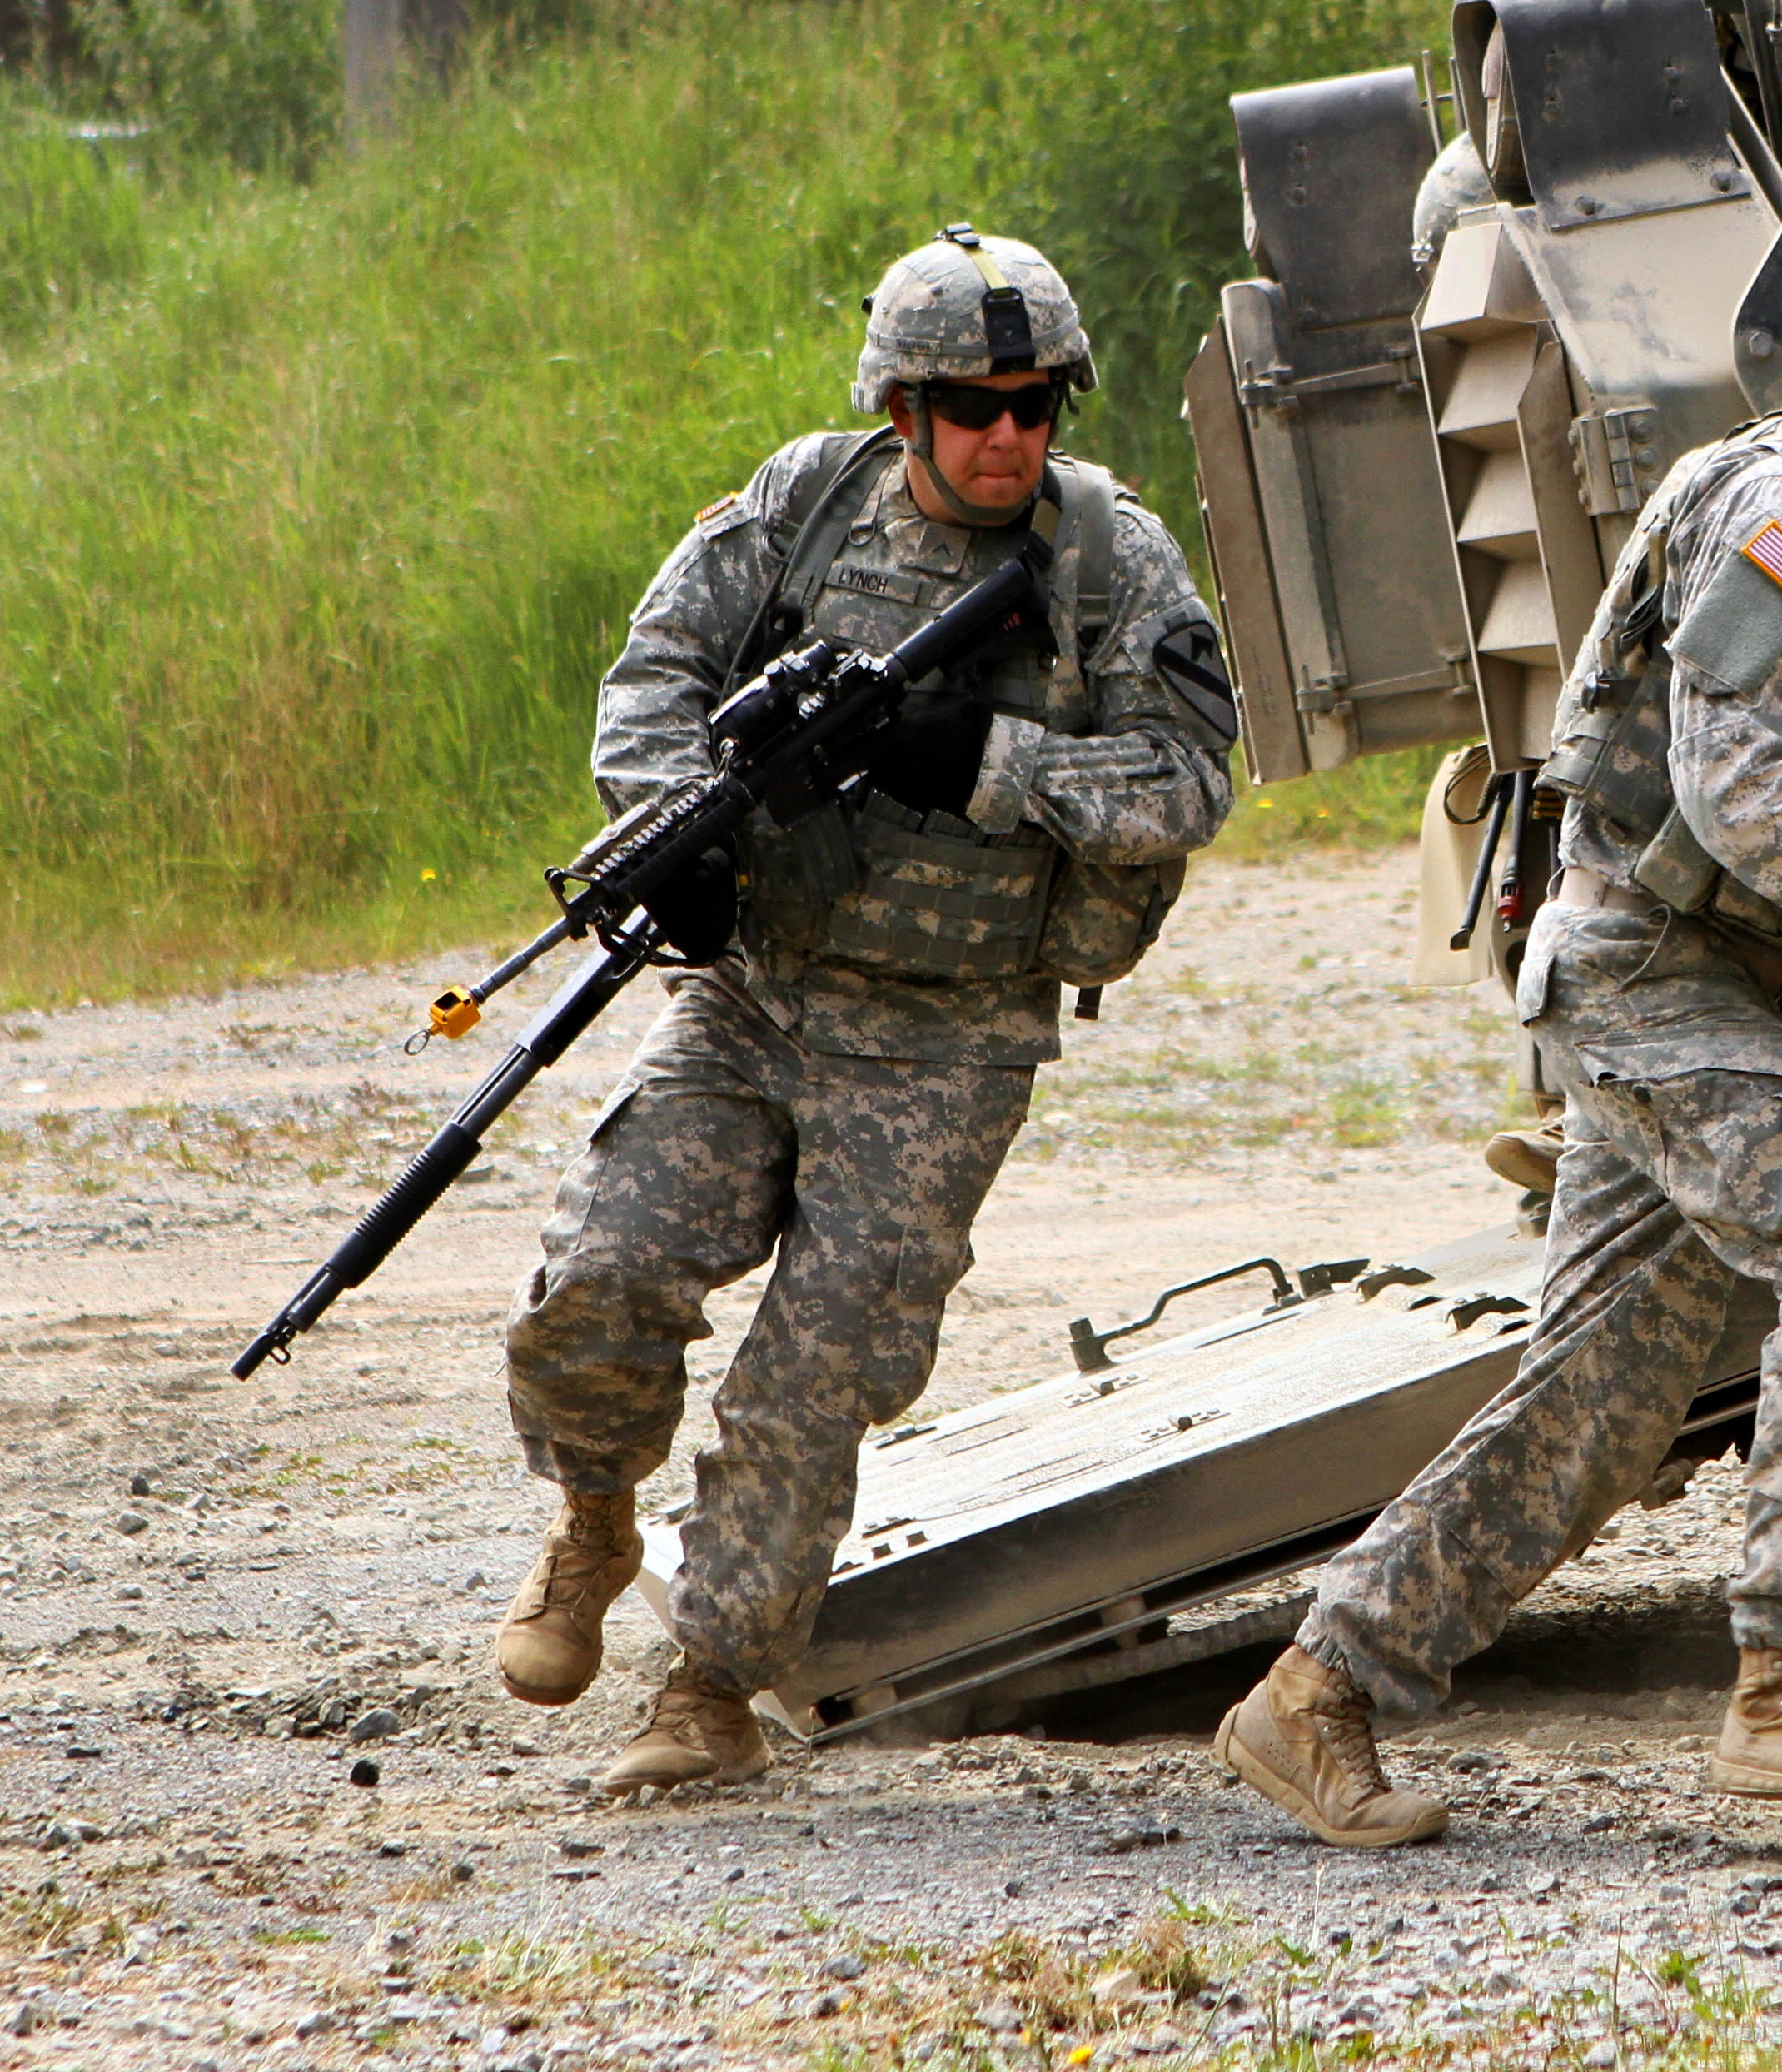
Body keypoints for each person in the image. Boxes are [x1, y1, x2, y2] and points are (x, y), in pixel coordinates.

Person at [1215, 181, 1782, 1847]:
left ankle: (1315, 1693)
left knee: (1604, 1400)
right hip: (1643, 974)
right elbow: (1746, 791)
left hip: (1727, 984)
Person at [495, 227, 1238, 1794]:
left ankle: (707, 1687)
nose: (1007, 439)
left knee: (816, 1375)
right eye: (972, 408)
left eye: (1035, 406)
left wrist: (983, 766)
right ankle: (593, 1516)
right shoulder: (800, 505)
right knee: (600, 1276)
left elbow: (1191, 781)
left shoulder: (1113, 562)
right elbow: (653, 678)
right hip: (753, 995)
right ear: (902, 409)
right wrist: (674, 829)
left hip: (949, 1040)